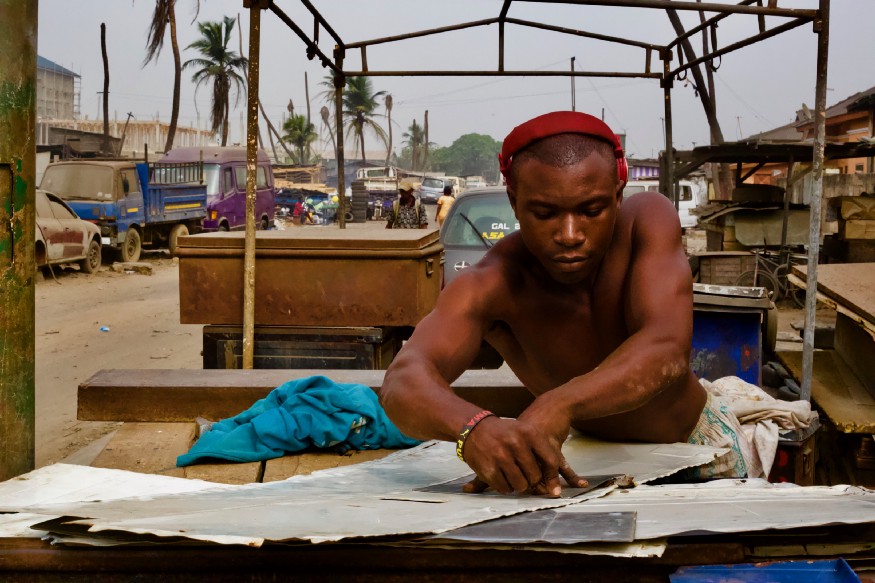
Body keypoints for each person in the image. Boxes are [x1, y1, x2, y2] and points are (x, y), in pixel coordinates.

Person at [380, 111, 757, 497]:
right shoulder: (492, 283)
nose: (570, 235)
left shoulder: (647, 221)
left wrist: (558, 404)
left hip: (699, 448)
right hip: (594, 467)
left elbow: (666, 349)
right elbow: (402, 380)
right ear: (514, 201)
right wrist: (474, 429)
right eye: (545, 214)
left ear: (617, 193)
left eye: (592, 211)